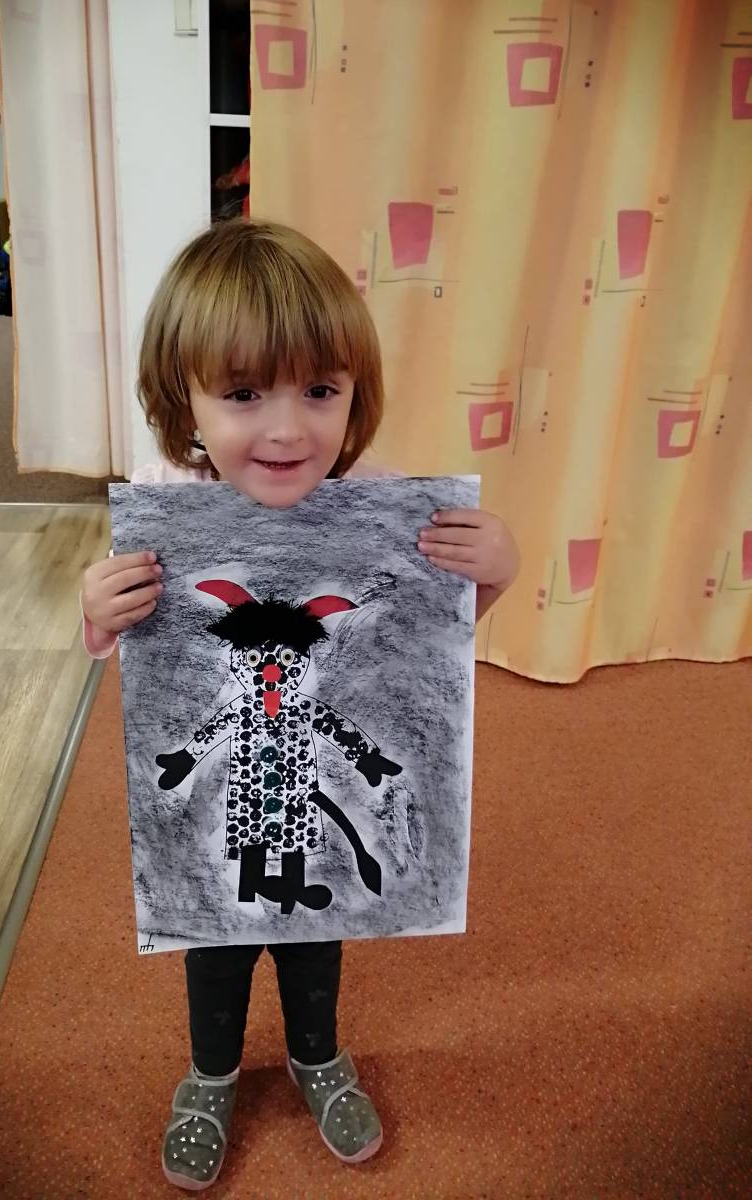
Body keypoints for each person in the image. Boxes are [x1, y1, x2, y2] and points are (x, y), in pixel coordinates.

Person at [80, 219, 519, 1191]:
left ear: (355, 393)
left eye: (320, 390)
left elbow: (420, 651)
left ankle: (317, 1054)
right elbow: (150, 670)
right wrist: (99, 611)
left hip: (304, 800)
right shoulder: (164, 504)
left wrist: (490, 575)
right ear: (184, 398)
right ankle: (211, 1074)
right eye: (243, 394)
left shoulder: (378, 509)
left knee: (317, 928)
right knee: (215, 938)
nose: (287, 430)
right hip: (228, 804)